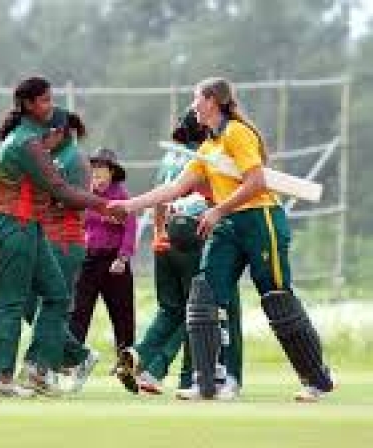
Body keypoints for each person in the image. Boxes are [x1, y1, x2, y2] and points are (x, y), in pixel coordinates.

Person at [106, 77, 334, 402]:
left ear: (212, 100)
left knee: (277, 299)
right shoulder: (207, 148)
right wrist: (129, 206)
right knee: (203, 297)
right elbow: (174, 189)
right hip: (228, 225)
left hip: (261, 220)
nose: (193, 106)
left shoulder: (237, 133)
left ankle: (316, 379)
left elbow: (256, 182)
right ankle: (206, 383)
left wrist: (218, 210)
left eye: (196, 98)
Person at [0, 76, 111, 397]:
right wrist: (104, 205)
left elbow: (59, 191)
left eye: (50, 99)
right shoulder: (27, 142)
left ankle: (37, 368)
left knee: (56, 295)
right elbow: (59, 189)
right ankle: (1, 376)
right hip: (16, 224)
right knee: (13, 300)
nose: (50, 106)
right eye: (44, 100)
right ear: (27, 105)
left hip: (31, 227)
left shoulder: (32, 141)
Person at [116, 109, 243, 399]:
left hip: (167, 240)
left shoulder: (170, 157)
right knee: (202, 311)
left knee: (172, 310)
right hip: (197, 239)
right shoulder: (206, 157)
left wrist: (159, 234)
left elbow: (161, 198)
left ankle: (143, 360)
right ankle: (194, 377)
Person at [19, 107, 100, 394]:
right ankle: (79, 356)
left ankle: (43, 368)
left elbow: (79, 201)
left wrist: (44, 198)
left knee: (51, 306)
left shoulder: (74, 158)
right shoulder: (47, 155)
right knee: (28, 303)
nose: (40, 136)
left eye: (45, 131)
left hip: (65, 241)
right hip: (43, 237)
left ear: (60, 131)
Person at [70, 148, 136, 376]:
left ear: (112, 172)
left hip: (114, 261)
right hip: (88, 259)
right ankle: (73, 359)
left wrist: (123, 257)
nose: (96, 174)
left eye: (101, 169)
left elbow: (130, 228)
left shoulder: (121, 196)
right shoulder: (86, 194)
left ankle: (125, 363)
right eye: (94, 169)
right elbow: (80, 222)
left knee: (122, 313)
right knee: (79, 310)